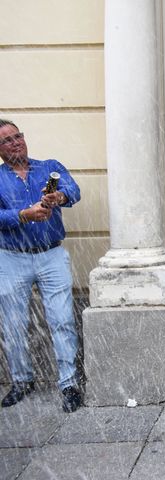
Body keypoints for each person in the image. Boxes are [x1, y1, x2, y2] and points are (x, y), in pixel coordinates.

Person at [0, 119, 82, 413]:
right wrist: (22, 215)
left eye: (17, 136)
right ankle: (22, 381)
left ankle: (69, 384)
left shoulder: (48, 167)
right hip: (11, 258)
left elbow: (74, 189)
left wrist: (59, 196)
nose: (16, 142)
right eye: (7, 140)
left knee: (62, 320)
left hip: (51, 254)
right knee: (14, 325)